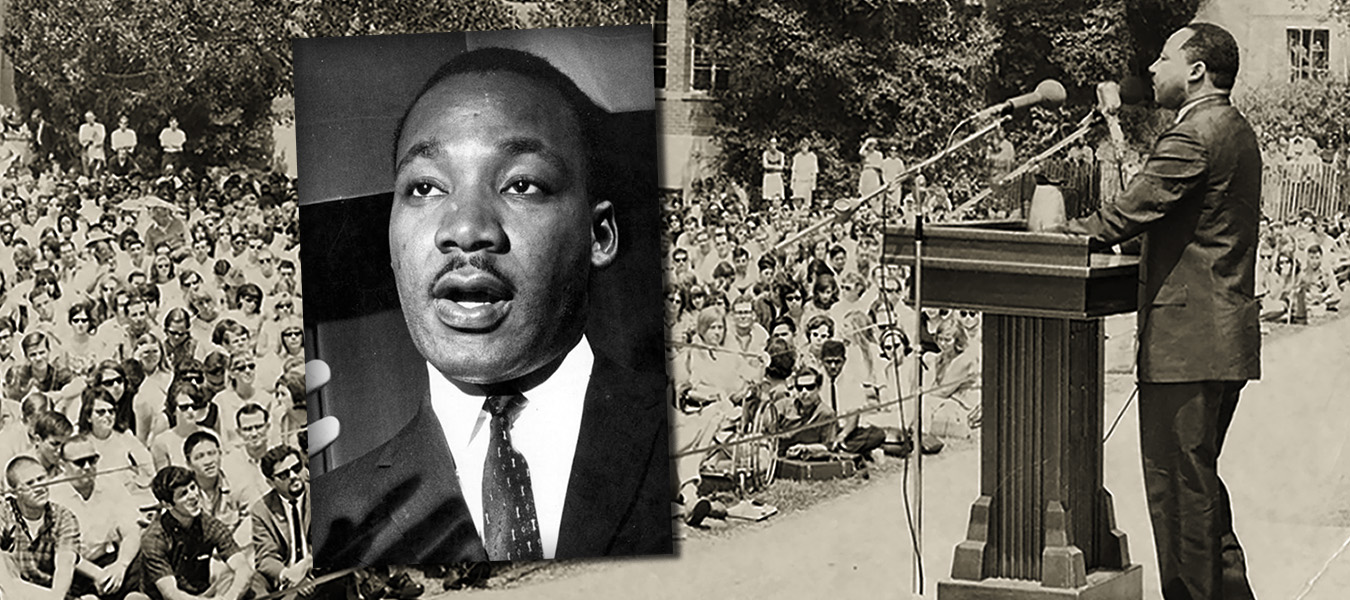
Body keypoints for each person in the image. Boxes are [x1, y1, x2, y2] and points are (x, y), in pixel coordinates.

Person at [309, 44, 670, 567]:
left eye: (521, 184)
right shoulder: (325, 519)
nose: (465, 230)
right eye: (426, 188)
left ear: (600, 235)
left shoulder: (685, 444)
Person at [1053, 22, 1259, 600]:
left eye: (1163, 57)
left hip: (1187, 345)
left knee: (1179, 506)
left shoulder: (1195, 132)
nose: (1151, 69)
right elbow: (1187, 224)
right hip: (1218, 338)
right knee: (1201, 496)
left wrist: (1059, 237)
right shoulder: (1233, 128)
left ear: (1196, 70)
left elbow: (1122, 214)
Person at [49, 433, 146, 600]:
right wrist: (98, 575)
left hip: (111, 561)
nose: (87, 467)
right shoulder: (53, 496)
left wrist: (120, 566)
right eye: (80, 462)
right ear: (62, 465)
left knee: (144, 555)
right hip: (75, 568)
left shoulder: (111, 484)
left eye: (92, 460)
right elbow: (61, 552)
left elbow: (131, 531)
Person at [138, 465, 254, 600]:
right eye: (183, 494)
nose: (193, 496)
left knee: (235, 579)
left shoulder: (210, 525)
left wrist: (231, 597)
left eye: (193, 488)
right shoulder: (154, 539)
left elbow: (243, 568)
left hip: (202, 594)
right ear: (167, 505)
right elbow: (170, 593)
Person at [0, 454, 83, 600]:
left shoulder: (64, 517)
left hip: (48, 593)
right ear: (14, 492)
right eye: (30, 483)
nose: (39, 487)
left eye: (41, 479)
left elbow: (65, 564)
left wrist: (56, 598)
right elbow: (6, 580)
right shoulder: (4, 514)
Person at [789, 138, 818, 210]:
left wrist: (813, 184)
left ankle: (805, 216)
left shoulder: (812, 157)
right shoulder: (797, 157)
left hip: (807, 182)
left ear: (808, 147)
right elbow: (794, 171)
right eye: (803, 146)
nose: (804, 148)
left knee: (806, 203)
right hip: (798, 182)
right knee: (797, 200)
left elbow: (814, 172)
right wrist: (792, 183)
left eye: (806, 146)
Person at [78, 111, 107, 176]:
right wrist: (89, 140)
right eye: (87, 118)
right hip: (86, 149)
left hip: (97, 149)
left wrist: (95, 142)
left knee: (96, 170)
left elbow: (101, 138)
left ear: (94, 117)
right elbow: (81, 139)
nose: (89, 119)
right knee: (86, 168)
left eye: (91, 117)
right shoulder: (83, 127)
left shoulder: (100, 127)